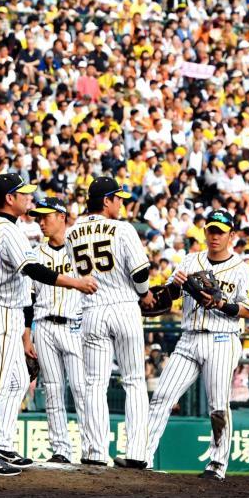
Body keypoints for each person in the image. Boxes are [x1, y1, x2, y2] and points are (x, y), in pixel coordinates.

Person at [0, 173, 97, 476]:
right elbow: (34, 270)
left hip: (2, 308)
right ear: (9, 198)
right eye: (23, 194)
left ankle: (2, 443)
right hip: (0, 309)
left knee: (17, 381)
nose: (29, 198)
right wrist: (75, 283)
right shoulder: (10, 231)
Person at [144, 209, 249, 480]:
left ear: (231, 235)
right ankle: (142, 456)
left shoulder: (242, 269)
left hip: (222, 338)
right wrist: (176, 285)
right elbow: (168, 297)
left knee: (217, 405)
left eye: (221, 232)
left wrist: (221, 303)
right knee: (161, 397)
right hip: (189, 337)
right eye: (211, 231)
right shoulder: (190, 260)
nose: (215, 236)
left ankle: (217, 464)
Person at [65, 176, 154, 469]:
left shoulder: (72, 233)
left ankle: (95, 451)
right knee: (134, 381)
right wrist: (146, 295)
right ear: (106, 201)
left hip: (92, 309)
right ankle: (137, 452)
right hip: (124, 306)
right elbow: (140, 273)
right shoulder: (123, 229)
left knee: (94, 383)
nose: (121, 204)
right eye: (118, 199)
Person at [28, 196, 89, 464]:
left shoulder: (80, 249)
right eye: (38, 218)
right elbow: (28, 297)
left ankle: (92, 450)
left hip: (75, 325)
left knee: (81, 390)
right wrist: (27, 335)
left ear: (62, 217)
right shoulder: (34, 254)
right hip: (43, 324)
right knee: (52, 390)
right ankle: (61, 449)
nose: (41, 222)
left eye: (46, 216)